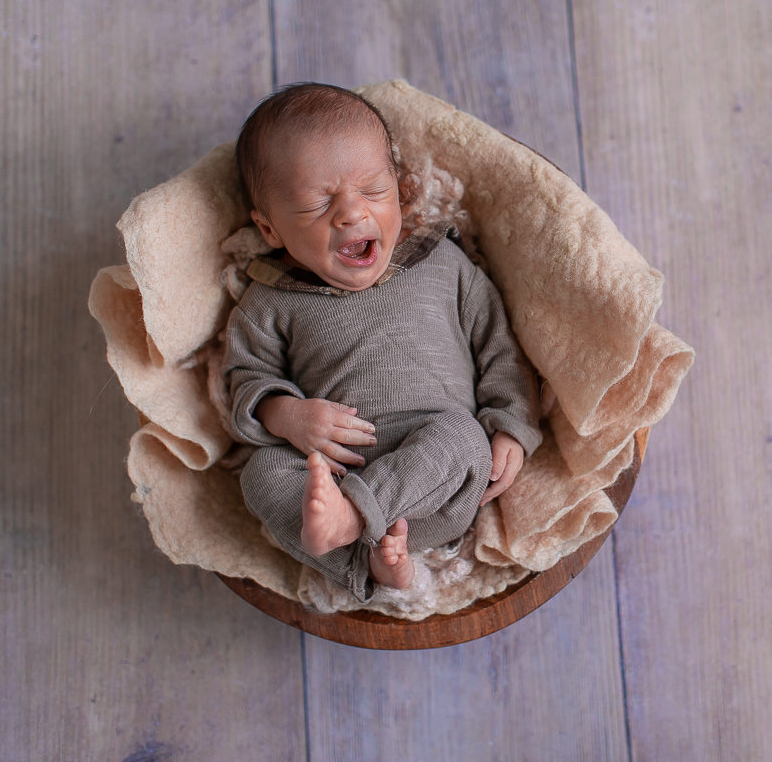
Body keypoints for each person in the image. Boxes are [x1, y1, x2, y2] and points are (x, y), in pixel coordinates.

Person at [221, 83, 542, 602]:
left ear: (402, 188)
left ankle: (355, 527)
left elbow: (498, 347)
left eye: (373, 190)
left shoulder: (440, 263)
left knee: (464, 439)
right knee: (261, 476)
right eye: (317, 203)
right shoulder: (269, 301)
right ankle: (365, 560)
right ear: (269, 227)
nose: (351, 213)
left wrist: (510, 425)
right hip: (335, 474)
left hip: (434, 486)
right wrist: (287, 416)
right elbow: (243, 381)